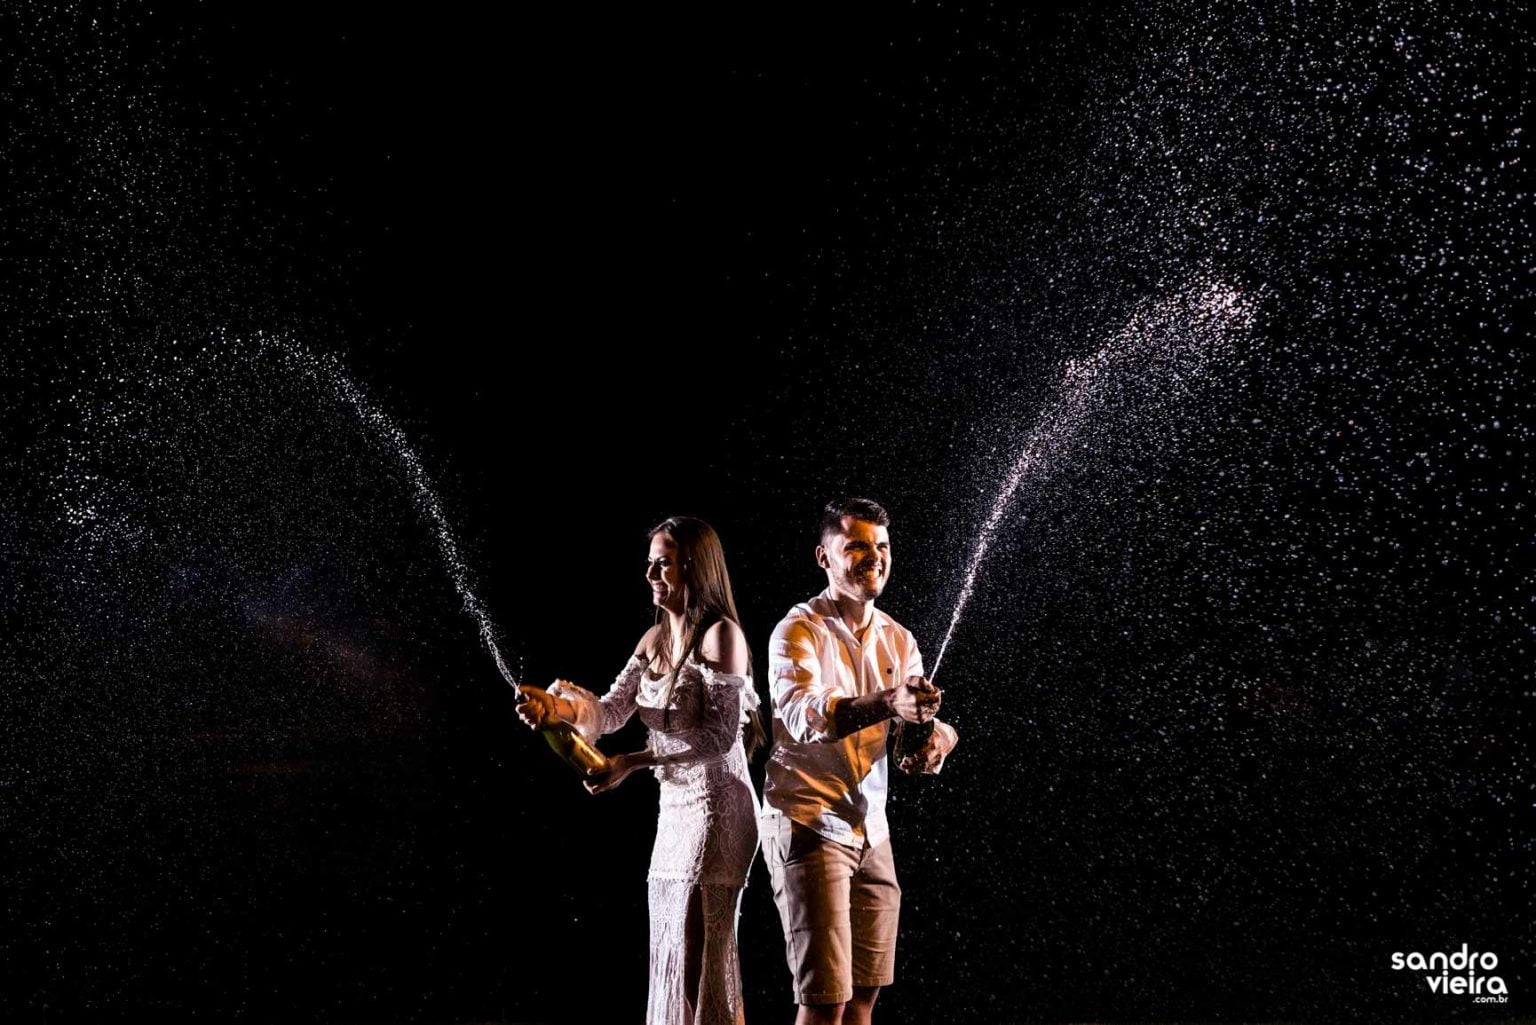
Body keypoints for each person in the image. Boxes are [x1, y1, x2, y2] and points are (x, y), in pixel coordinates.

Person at [515, 515, 765, 1025]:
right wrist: (554, 709)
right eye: (649, 563)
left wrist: (633, 761)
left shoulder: (722, 637)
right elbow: (608, 714)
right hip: (674, 811)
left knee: (703, 958)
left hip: (720, 806)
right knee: (676, 948)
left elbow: (719, 741)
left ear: (696, 566)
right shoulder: (652, 639)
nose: (651, 574)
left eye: (663, 563)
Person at [761, 497, 959, 1025]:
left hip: (871, 830)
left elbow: (911, 727)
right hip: (808, 823)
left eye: (882, 546)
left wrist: (936, 737)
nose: (874, 557)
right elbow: (807, 717)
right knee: (825, 1002)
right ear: (824, 557)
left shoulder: (900, 639)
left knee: (865, 997)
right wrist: (888, 701)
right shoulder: (797, 630)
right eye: (857, 546)